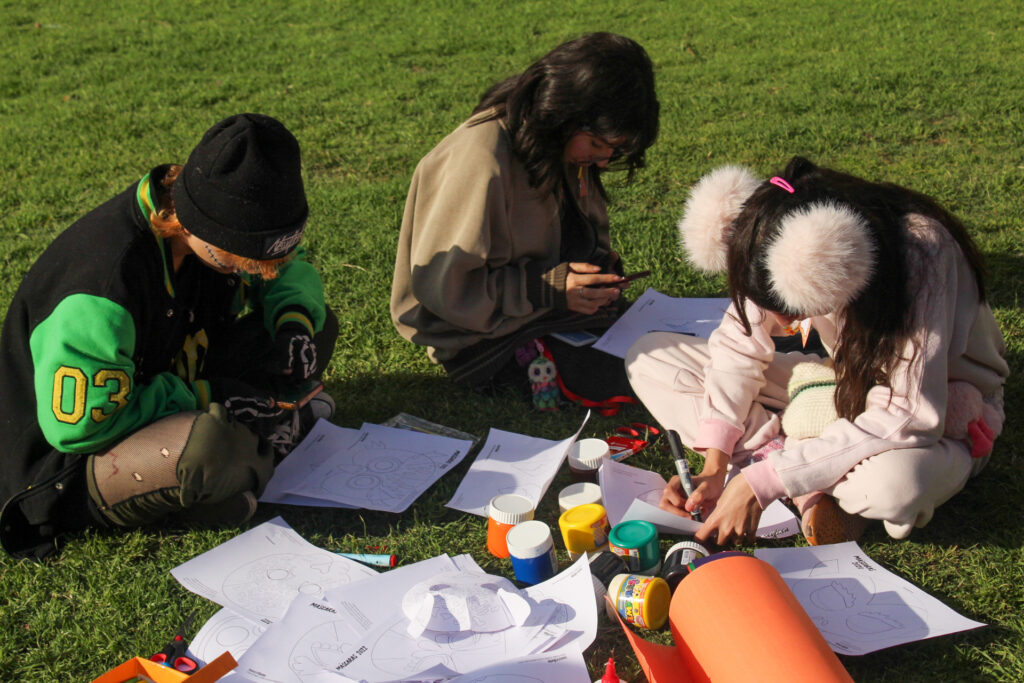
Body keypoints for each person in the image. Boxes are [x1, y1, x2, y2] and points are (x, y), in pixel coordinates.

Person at [0, 113, 338, 559]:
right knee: (209, 452)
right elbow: (81, 429)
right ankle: (235, 459)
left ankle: (254, 440)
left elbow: (281, 269)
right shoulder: (102, 290)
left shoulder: (211, 224)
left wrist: (293, 324)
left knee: (317, 326)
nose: (258, 273)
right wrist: (205, 394)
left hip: (165, 379)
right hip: (67, 458)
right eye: (242, 262)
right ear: (200, 228)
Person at [625, 157, 1008, 546]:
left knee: (894, 486)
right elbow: (738, 345)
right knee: (650, 356)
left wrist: (767, 479)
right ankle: (801, 468)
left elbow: (907, 415)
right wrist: (715, 462)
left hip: (944, 407)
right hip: (840, 384)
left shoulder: (923, 255)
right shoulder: (772, 238)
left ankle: (798, 463)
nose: (788, 326)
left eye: (791, 309)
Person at [390, 32, 659, 409]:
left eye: (613, 152)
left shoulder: (560, 144)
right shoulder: (479, 159)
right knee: (653, 371)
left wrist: (597, 272)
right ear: (564, 111)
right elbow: (447, 292)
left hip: (549, 315)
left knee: (688, 346)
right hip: (483, 338)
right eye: (599, 146)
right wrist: (544, 289)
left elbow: (573, 233)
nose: (602, 161)